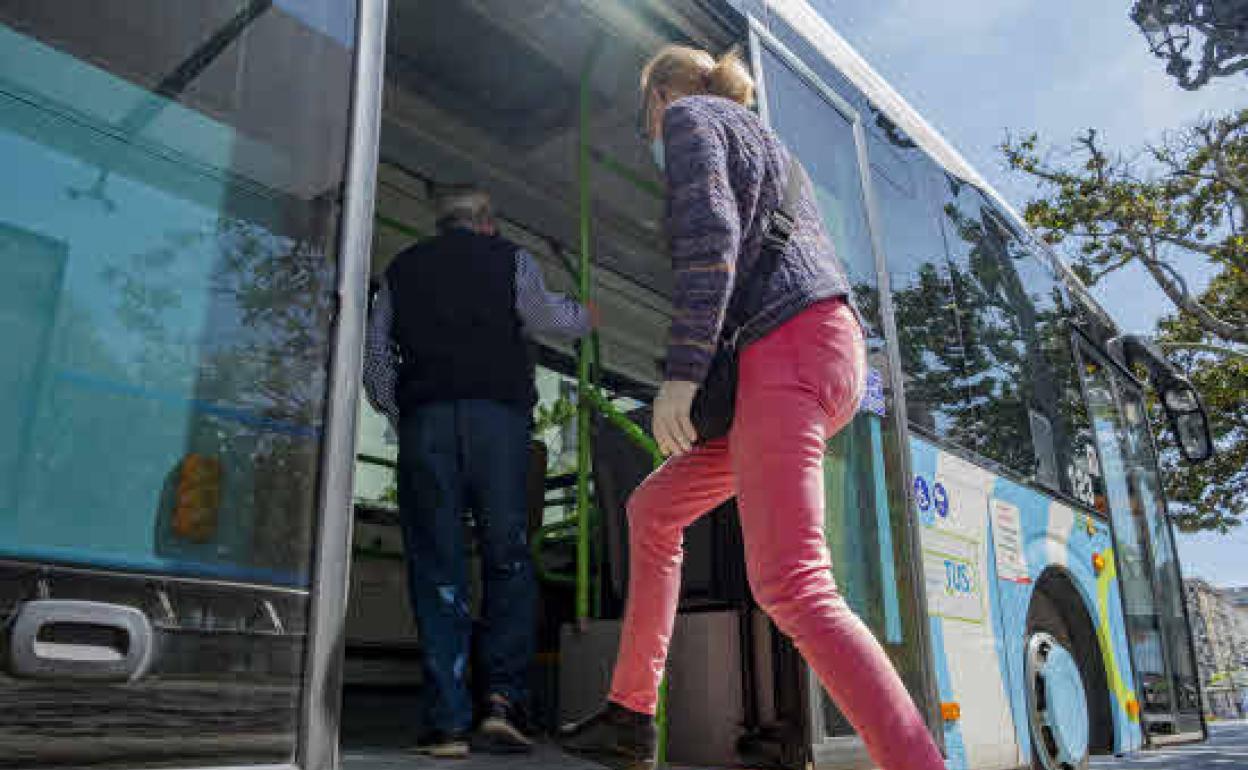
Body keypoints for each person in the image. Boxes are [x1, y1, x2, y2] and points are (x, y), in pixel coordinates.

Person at [558, 46, 946, 770]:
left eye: (645, 112)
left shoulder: (691, 116)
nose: (649, 130)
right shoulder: (768, 144)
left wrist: (681, 376)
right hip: (817, 355)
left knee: (793, 584)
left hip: (790, 350)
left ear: (661, 93)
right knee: (653, 510)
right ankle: (630, 715)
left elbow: (712, 239)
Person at [363, 185, 593, 758]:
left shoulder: (400, 269)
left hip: (427, 427)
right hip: (498, 423)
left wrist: (408, 411)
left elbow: (374, 365)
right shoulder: (511, 258)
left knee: (438, 568)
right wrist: (586, 314)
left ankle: (446, 724)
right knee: (508, 559)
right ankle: (502, 706)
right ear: (487, 222)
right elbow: (546, 317)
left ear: (442, 225)